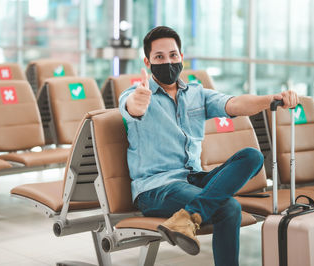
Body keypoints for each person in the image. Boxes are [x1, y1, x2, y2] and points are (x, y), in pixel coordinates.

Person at [118, 26, 298, 266]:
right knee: (229, 207)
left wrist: (270, 99)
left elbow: (235, 104)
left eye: (173, 55)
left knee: (252, 157)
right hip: (156, 188)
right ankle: (190, 217)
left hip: (193, 179)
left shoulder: (196, 93)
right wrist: (137, 104)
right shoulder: (137, 93)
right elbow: (131, 107)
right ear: (147, 62)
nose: (168, 61)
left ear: (181, 57)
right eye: (159, 57)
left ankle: (188, 217)